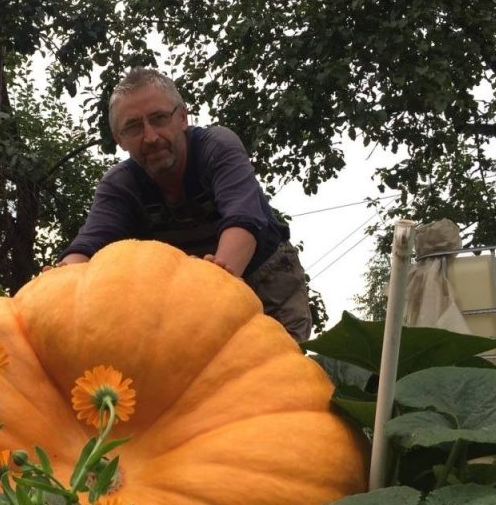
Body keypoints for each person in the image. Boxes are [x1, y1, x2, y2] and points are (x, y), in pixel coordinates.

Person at [56, 68, 312, 342]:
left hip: (264, 279)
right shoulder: (120, 185)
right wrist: (57, 283)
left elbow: (243, 220)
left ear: (182, 117)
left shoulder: (218, 146)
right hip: (185, 297)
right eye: (133, 127)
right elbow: (88, 245)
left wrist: (212, 291)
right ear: (119, 139)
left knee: (281, 372)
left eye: (159, 118)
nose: (151, 137)